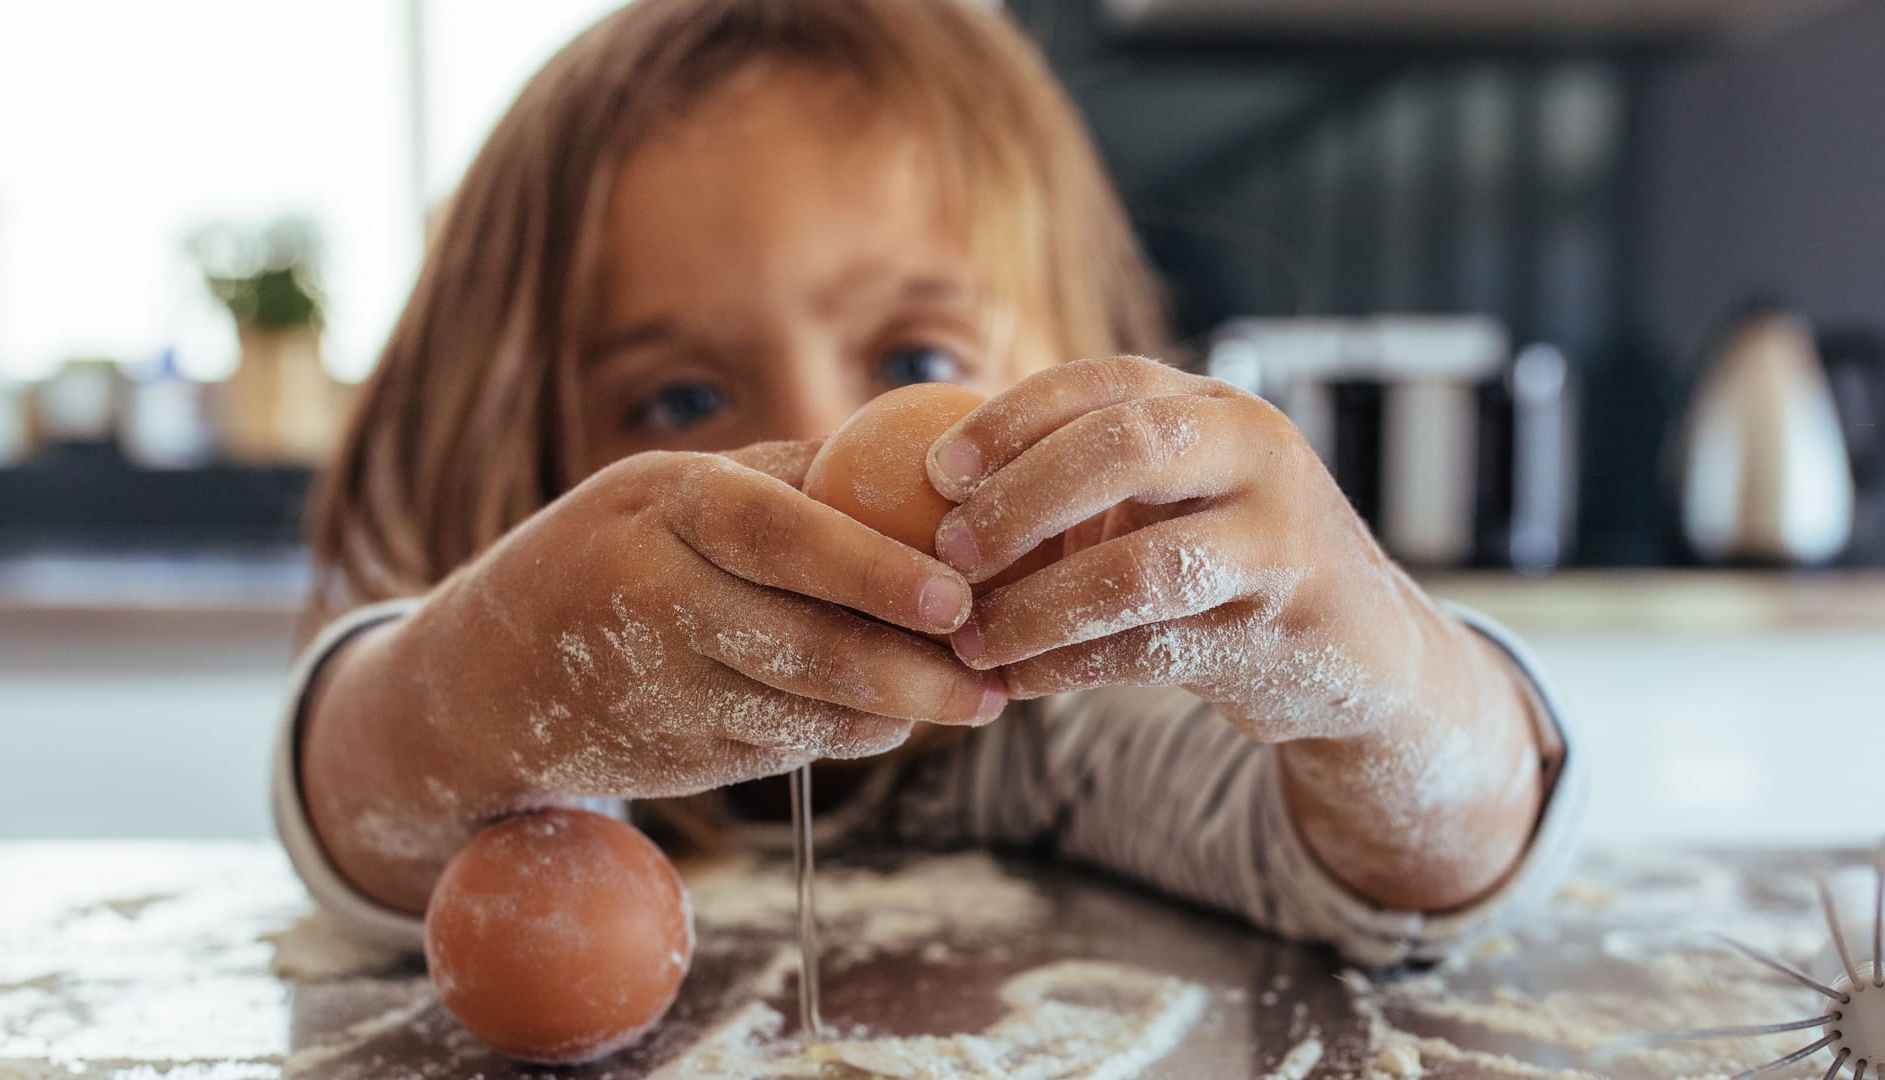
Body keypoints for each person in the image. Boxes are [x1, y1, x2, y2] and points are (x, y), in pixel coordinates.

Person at [274, 0, 1581, 967]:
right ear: (534, 450)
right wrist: (477, 678)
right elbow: (368, 807)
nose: (821, 447)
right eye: (682, 400)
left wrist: (1380, 666)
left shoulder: (1068, 733)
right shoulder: (551, 735)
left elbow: (1423, 864)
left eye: (914, 359)